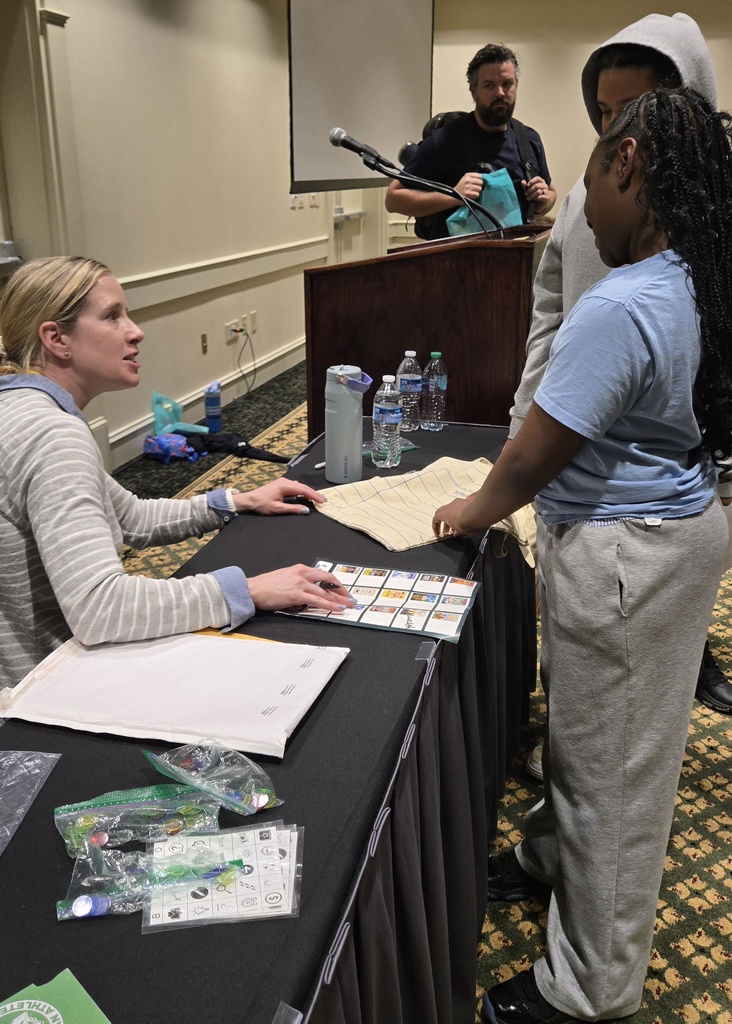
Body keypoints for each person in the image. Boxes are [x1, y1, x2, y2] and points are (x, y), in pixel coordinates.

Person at [433, 86, 732, 1023]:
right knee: (589, 740)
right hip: (668, 536)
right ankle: (550, 857)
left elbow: (529, 453)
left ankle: (589, 991)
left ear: (629, 161)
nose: (580, 208)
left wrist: (469, 509)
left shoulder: (627, 301)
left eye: (591, 179)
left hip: (626, 561)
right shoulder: (702, 278)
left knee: (616, 781)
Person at [508, 13, 732, 783]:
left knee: (632, 715)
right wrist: (522, 431)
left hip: (653, 505)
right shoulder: (584, 198)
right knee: (576, 678)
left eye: (631, 112)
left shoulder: (710, 222)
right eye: (603, 115)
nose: (617, 130)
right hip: (570, 485)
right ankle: (561, 826)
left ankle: (596, 849)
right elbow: (548, 316)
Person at [0, 256, 355, 691]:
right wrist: (247, 589)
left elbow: (127, 517)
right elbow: (100, 609)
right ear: (57, 339)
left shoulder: (21, 410)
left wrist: (236, 501)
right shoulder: (53, 435)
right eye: (113, 316)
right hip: (39, 693)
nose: (136, 331)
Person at [385, 43, 556, 239]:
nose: (500, 92)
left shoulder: (529, 140)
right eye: (489, 85)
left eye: (507, 84)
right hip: (457, 264)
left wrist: (544, 200)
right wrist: (453, 196)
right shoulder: (444, 141)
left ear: (516, 85)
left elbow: (551, 192)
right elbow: (393, 199)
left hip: (515, 261)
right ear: (473, 91)